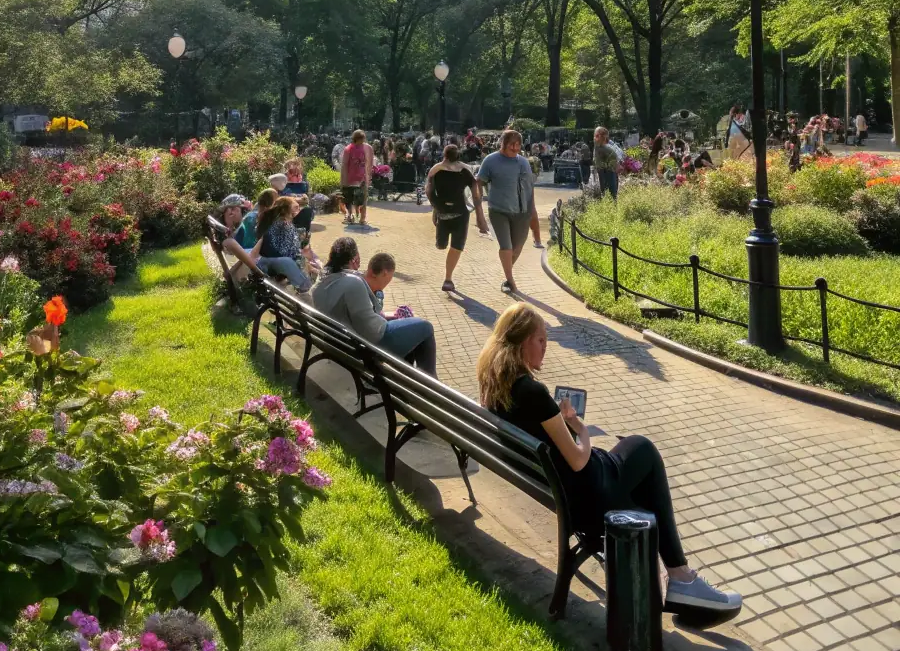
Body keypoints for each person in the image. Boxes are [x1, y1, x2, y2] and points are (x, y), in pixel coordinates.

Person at [477, 304, 741, 620]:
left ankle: (675, 577)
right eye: (541, 340)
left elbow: (541, 436)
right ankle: (681, 577)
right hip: (585, 495)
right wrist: (581, 430)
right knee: (643, 449)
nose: (546, 348)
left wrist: (558, 424)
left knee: (638, 479)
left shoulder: (494, 384)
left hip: (555, 486)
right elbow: (577, 460)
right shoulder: (533, 390)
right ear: (520, 343)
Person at [312, 240, 437, 375]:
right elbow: (372, 331)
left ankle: (414, 380)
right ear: (354, 259)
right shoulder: (352, 282)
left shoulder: (324, 278)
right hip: (364, 348)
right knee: (425, 327)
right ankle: (431, 382)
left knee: (410, 331)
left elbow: (356, 315)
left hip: (339, 342)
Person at [476, 128, 538, 295]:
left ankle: (506, 275)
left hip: (521, 212)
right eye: (512, 144)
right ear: (502, 143)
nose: (515, 147)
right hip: (498, 210)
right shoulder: (490, 160)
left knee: (516, 248)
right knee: (506, 246)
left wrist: (532, 213)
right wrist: (478, 210)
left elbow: (530, 188)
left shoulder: (523, 162)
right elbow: (478, 183)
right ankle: (510, 282)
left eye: (518, 144)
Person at [425, 143, 489, 292]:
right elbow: (475, 193)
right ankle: (448, 277)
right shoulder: (461, 170)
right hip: (454, 212)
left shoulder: (436, 170)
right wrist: (480, 215)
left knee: (455, 246)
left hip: (451, 212)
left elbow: (429, 191)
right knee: (447, 246)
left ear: (444, 155)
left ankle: (448, 278)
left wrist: (436, 208)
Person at [255, 195, 314, 293]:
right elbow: (289, 250)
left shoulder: (270, 219)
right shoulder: (283, 223)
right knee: (305, 280)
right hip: (278, 261)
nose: (297, 210)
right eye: (295, 208)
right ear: (287, 209)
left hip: (263, 261)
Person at [340, 128, 374, 226]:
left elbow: (370, 163)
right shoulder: (348, 149)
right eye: (361, 138)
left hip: (362, 179)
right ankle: (350, 216)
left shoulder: (368, 148)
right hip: (350, 179)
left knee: (362, 199)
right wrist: (343, 179)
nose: (363, 140)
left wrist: (369, 177)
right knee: (349, 199)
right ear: (356, 139)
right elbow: (344, 165)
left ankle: (362, 219)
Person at [283, 159, 314, 237]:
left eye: (299, 174)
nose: (299, 177)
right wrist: (298, 200)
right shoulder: (283, 186)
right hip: (289, 218)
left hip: (300, 217)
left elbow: (306, 199)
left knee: (308, 211)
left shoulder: (301, 187)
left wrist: (304, 198)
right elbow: (285, 198)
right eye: (296, 175)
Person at [592, 126, 620, 201]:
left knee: (613, 194)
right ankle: (611, 208)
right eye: (605, 136)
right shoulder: (600, 148)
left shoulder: (604, 146)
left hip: (611, 171)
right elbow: (600, 163)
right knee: (610, 195)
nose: (607, 138)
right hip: (607, 172)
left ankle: (612, 207)